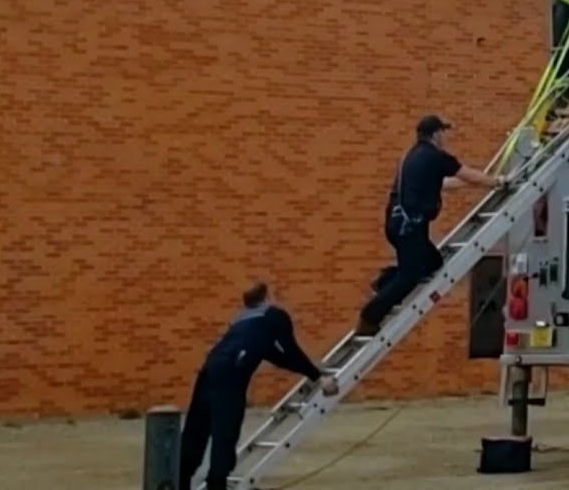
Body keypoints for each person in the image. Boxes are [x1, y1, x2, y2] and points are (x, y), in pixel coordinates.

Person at [180, 282, 338, 490]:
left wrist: (313, 372)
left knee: (197, 429)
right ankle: (216, 485)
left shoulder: (241, 319)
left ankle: (178, 481)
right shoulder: (275, 315)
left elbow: (276, 357)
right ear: (269, 296)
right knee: (224, 434)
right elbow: (291, 351)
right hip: (232, 374)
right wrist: (319, 377)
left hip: (209, 370)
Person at [358, 115, 504, 335]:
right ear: (436, 134)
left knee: (433, 261)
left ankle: (385, 281)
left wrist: (472, 184)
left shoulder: (413, 156)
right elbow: (466, 173)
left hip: (396, 223)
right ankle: (370, 317)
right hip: (410, 227)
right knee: (411, 274)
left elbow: (444, 183)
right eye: (443, 132)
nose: (444, 137)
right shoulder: (435, 156)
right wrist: (497, 182)